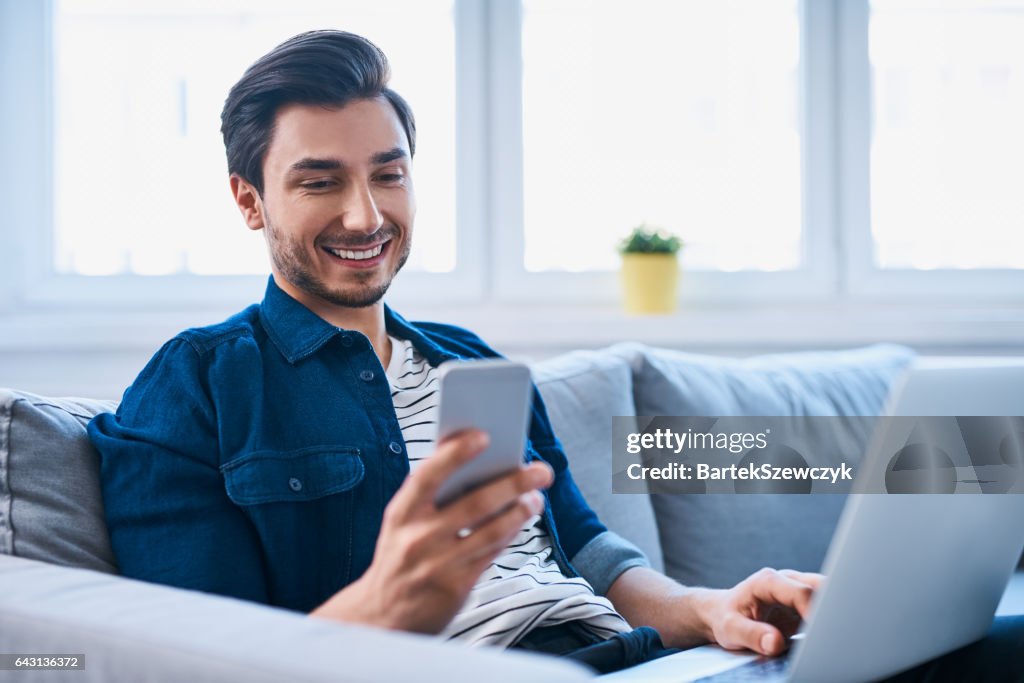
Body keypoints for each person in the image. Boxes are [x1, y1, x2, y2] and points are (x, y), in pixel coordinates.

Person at [87, 30, 1020, 678]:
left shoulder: (472, 365)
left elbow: (592, 554)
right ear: (249, 199)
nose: (367, 215)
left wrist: (717, 607)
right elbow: (192, 658)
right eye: (320, 181)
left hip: (642, 661)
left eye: (389, 173)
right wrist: (386, 599)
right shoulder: (195, 386)